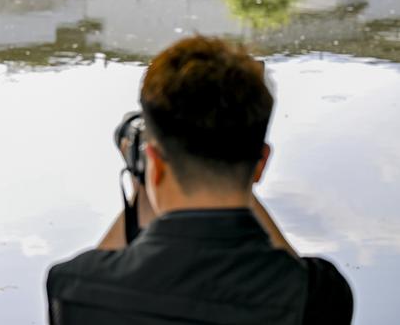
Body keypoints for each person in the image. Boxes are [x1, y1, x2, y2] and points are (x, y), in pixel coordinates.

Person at [46, 36, 353, 325]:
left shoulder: (74, 288)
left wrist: (141, 185)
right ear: (261, 163)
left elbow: (97, 275)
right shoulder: (319, 293)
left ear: (154, 163)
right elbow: (295, 280)